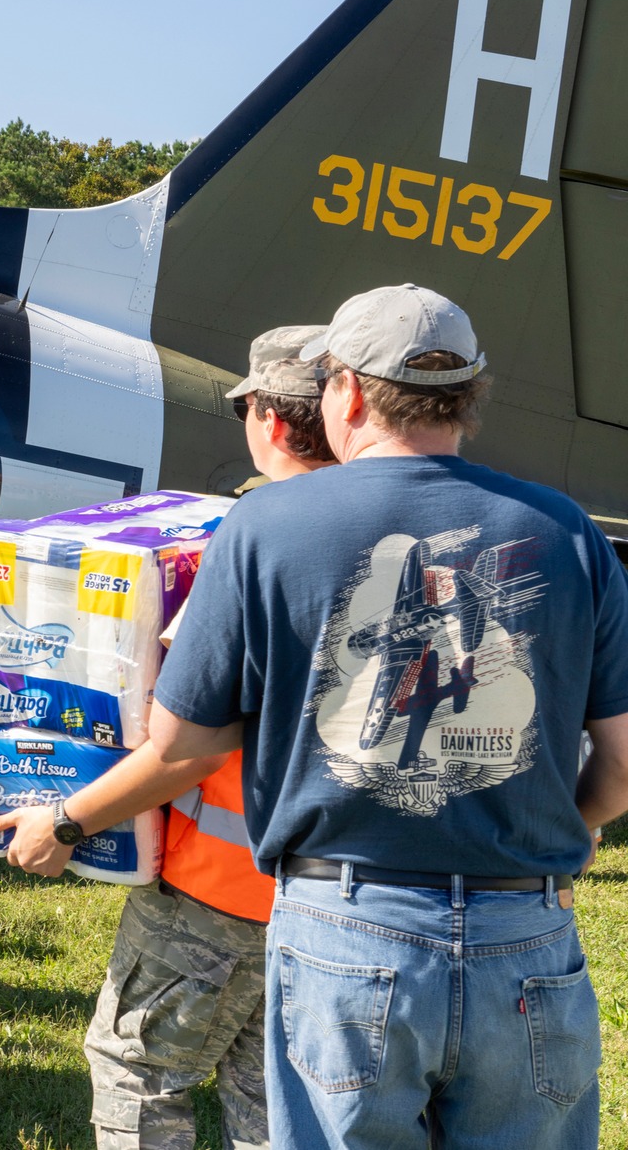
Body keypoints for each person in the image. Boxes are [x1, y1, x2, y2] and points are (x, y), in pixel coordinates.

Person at [149, 284, 628, 1148]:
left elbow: (178, 740)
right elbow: (626, 763)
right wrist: (565, 824)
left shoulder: (264, 524)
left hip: (346, 928)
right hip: (528, 932)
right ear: (469, 395)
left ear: (348, 392)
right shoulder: (568, 531)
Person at [0, 325, 336, 1150]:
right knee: (275, 1100)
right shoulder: (386, 532)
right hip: (332, 894)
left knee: (137, 1073)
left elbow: (191, 740)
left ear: (271, 422)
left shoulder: (249, 539)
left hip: (218, 889)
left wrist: (67, 818)